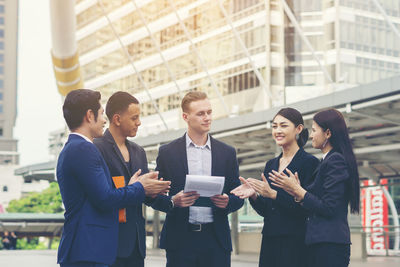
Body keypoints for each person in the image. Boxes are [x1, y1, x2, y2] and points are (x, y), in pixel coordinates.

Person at [57, 89, 170, 267]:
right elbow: (105, 198)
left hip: (88, 249)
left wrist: (135, 187)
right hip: (89, 250)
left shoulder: (76, 148)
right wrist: (139, 187)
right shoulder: (84, 149)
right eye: (101, 114)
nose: (104, 120)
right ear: (89, 115)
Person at [150, 91, 244, 267]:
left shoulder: (227, 153)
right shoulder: (168, 153)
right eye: (200, 114)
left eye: (209, 112)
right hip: (180, 241)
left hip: (216, 241)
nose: (207, 117)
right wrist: (172, 201)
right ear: (185, 117)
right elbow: (153, 196)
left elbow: (237, 195)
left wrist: (228, 201)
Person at [269, 108, 360, 267]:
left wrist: (299, 191)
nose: (310, 136)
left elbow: (329, 207)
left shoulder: (335, 161)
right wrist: (296, 191)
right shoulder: (327, 161)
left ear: (328, 134)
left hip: (329, 245)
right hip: (321, 243)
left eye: (313, 130)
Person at [231, 108, 319, 267]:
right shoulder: (271, 164)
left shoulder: (309, 163)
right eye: (274, 126)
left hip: (296, 241)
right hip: (270, 239)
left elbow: (307, 208)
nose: (278, 131)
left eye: (283, 126)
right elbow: (267, 210)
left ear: (298, 129)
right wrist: (254, 196)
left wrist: (273, 194)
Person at [94, 92, 152, 267]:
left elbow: (145, 194)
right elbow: (101, 197)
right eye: (134, 118)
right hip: (108, 244)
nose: (139, 122)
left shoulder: (138, 151)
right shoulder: (96, 149)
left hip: (136, 246)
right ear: (117, 119)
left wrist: (171, 199)